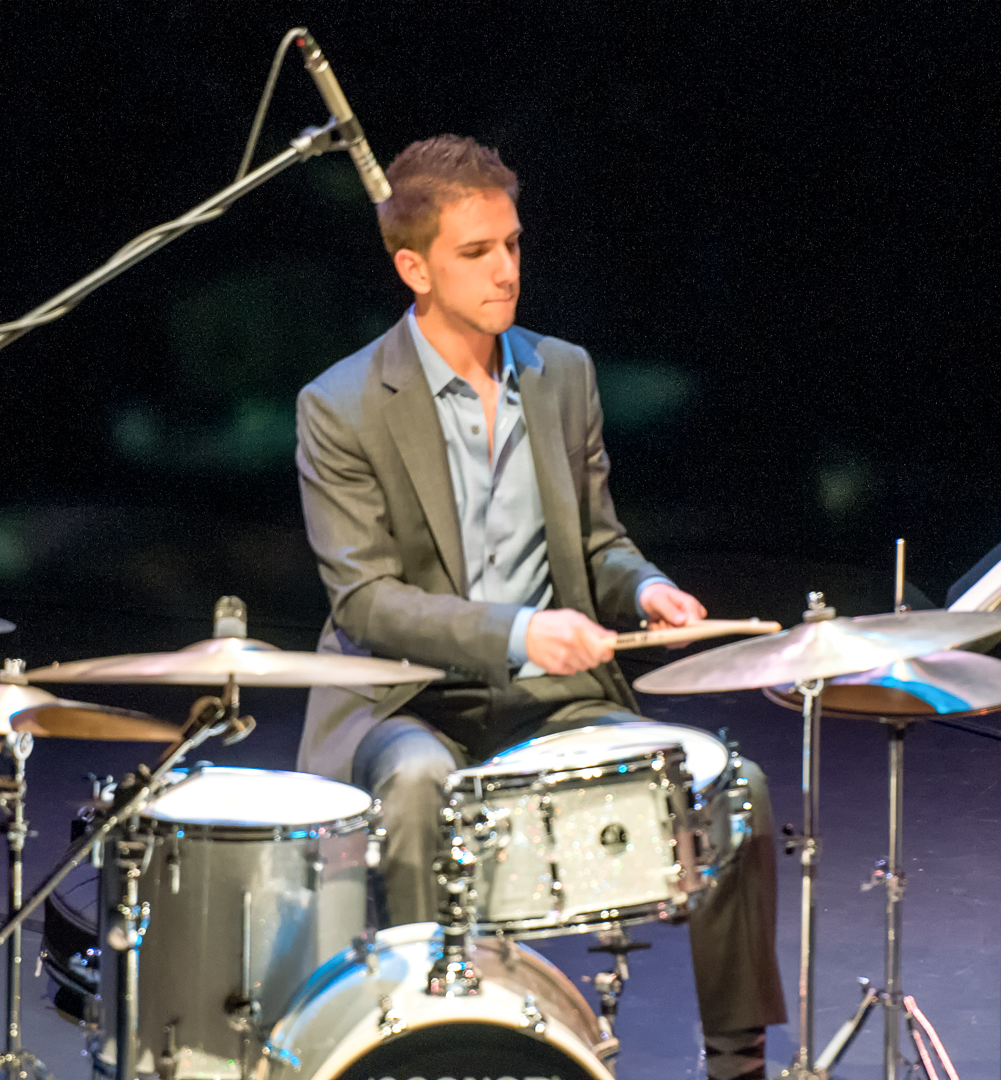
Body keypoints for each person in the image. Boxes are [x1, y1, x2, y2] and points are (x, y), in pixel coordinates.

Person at [294, 135, 784, 1080]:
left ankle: (737, 1060)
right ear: (414, 268)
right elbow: (367, 600)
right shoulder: (342, 403)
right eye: (476, 253)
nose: (506, 270)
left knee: (736, 790)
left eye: (512, 244)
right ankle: (422, 1048)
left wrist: (646, 586)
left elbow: (598, 541)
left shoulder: (563, 375)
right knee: (414, 788)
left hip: (557, 696)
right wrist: (522, 632)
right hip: (411, 703)